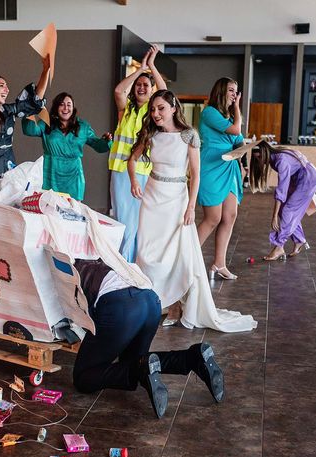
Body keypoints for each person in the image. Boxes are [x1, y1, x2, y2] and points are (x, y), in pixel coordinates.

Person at [128, 90, 256, 332]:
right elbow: (132, 159)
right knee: (146, 252)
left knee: (174, 254)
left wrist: (190, 207)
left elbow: (196, 175)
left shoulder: (189, 136)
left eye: (161, 108)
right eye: (153, 109)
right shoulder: (151, 134)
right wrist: (134, 180)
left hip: (177, 198)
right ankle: (151, 302)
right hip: (152, 198)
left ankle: (175, 305)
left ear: (174, 108)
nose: (155, 113)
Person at [72, 257, 224, 419]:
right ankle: (192, 358)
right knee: (136, 362)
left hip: (123, 308)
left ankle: (140, 370)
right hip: (150, 300)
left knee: (83, 377)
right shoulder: (103, 256)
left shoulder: (64, 267)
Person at [108, 45, 167, 262]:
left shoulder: (153, 112)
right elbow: (118, 91)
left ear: (152, 90)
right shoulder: (126, 109)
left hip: (142, 172)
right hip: (120, 171)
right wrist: (140, 70)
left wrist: (151, 66)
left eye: (146, 85)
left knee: (138, 222)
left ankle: (129, 264)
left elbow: (165, 94)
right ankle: (125, 263)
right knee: (123, 221)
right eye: (139, 85)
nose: (141, 88)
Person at [197, 77, 246, 281]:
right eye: (231, 91)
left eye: (236, 91)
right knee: (213, 218)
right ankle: (186, 257)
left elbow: (239, 139)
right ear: (221, 91)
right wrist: (238, 109)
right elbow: (236, 130)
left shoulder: (227, 116)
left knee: (230, 215)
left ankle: (219, 263)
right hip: (211, 165)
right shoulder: (209, 112)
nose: (235, 95)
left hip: (229, 166)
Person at [22, 92, 112, 201]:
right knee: (49, 211)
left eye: (69, 105)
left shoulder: (83, 126)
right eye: (62, 104)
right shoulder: (46, 124)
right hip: (50, 174)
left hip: (74, 178)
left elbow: (98, 146)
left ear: (73, 108)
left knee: (72, 214)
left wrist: (106, 141)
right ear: (56, 107)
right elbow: (29, 130)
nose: (66, 108)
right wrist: (30, 109)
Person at [248, 141, 316, 261]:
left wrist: (274, 216)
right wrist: (278, 212)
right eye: (256, 159)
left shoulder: (281, 160)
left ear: (265, 152)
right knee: (285, 210)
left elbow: (281, 189)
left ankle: (279, 246)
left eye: (260, 157)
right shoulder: (274, 156)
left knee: (287, 210)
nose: (259, 161)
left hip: (308, 179)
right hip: (299, 177)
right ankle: (299, 241)